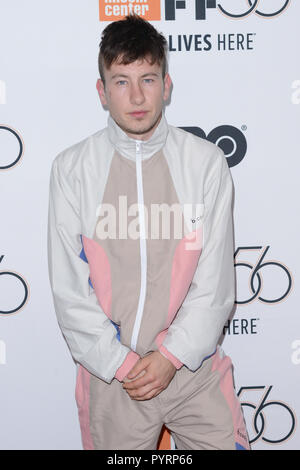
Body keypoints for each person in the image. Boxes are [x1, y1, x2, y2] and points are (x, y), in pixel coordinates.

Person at [47, 14, 250, 451]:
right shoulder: (72, 169)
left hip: (193, 371)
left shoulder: (206, 163)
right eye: (121, 81)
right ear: (101, 91)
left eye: (148, 79)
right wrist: (121, 363)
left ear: (167, 84)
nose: (137, 96)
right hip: (113, 379)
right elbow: (69, 292)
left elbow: (214, 285)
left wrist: (171, 357)